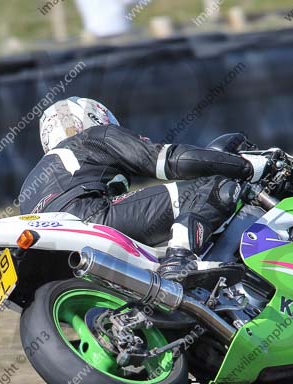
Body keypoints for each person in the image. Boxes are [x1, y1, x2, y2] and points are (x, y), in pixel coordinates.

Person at [20, 97, 267, 279]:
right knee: (212, 185)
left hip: (52, 254)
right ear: (95, 117)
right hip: (89, 218)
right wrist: (244, 166)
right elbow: (169, 161)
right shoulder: (93, 136)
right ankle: (180, 259)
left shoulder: (31, 182)